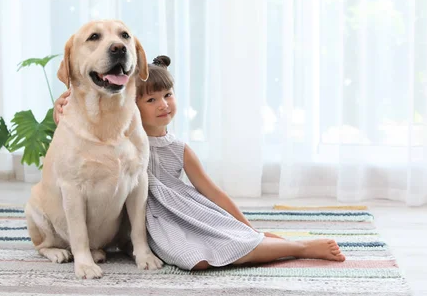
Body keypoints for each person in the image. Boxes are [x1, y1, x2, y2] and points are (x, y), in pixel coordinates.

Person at [53, 55, 345, 270]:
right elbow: (86, 118)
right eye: (151, 100)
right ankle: (271, 244)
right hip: (156, 221)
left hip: (187, 212)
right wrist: (60, 107)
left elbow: (211, 191)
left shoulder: (178, 147)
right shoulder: (124, 141)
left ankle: (299, 246)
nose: (164, 104)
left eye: (167, 95)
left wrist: (246, 225)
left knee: (230, 241)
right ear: (130, 103)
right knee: (198, 261)